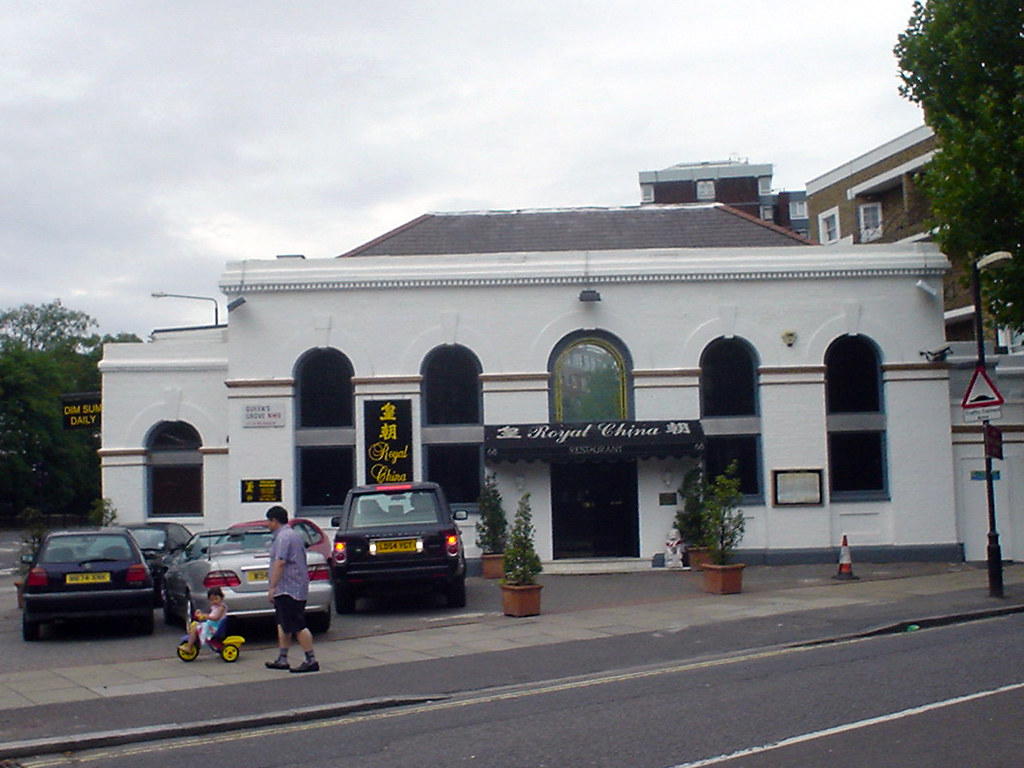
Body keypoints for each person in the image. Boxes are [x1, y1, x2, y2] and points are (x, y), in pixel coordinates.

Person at [264, 505, 319, 673]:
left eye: (269, 521)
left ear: (274, 521)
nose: (268, 524)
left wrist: (272, 587)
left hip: (289, 589)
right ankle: (283, 658)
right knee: (283, 623)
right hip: (289, 587)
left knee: (297, 625)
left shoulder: (284, 537)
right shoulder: (289, 535)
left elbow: (280, 562)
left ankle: (311, 660)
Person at [180, 586, 227, 653]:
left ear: (221, 598)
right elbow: (211, 615)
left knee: (195, 628)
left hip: (214, 628)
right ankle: (194, 642)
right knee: (195, 625)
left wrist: (206, 616)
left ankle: (189, 647)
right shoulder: (215, 607)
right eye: (212, 600)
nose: (214, 602)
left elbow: (216, 617)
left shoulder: (221, 608)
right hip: (211, 625)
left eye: (216, 599)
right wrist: (201, 613)